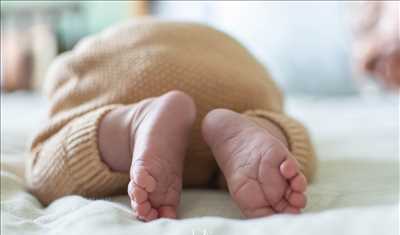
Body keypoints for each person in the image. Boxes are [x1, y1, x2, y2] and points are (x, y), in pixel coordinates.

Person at [27, 19, 316, 221]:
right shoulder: (231, 49)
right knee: (285, 149)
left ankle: (128, 128)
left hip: (117, 79)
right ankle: (255, 128)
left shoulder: (95, 50)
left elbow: (42, 168)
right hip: (234, 79)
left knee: (43, 168)